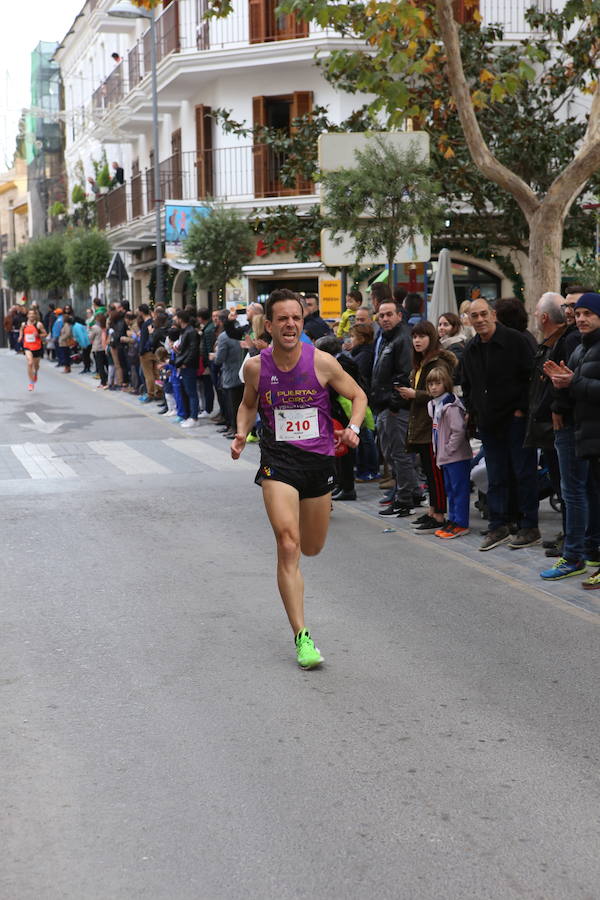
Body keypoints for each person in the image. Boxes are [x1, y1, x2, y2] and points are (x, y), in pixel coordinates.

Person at [231, 288, 367, 669]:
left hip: (319, 465)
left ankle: (302, 564)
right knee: (288, 543)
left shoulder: (322, 363)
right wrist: (242, 433)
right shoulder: (257, 367)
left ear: (301, 323)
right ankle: (302, 636)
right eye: (283, 319)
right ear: (269, 325)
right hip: (278, 463)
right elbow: (247, 404)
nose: (290, 324)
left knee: (311, 547)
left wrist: (353, 428)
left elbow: (358, 396)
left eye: (296, 318)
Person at [461, 298, 539, 551]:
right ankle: (499, 525)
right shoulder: (471, 348)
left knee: (523, 473)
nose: (480, 319)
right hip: (489, 422)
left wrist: (521, 410)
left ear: (494, 315)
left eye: (484, 314)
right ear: (469, 320)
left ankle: (529, 525)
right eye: (475, 316)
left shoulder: (516, 341)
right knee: (495, 477)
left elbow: (532, 378)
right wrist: (473, 412)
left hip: (515, 420)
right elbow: (468, 385)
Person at [544, 292, 600, 590]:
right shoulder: (580, 348)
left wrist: (572, 382)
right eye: (577, 314)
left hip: (592, 434)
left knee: (580, 493)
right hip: (583, 434)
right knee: (587, 493)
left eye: (587, 314)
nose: (580, 319)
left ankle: (578, 555)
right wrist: (559, 389)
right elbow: (571, 386)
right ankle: (587, 554)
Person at [398, 321, 456, 532]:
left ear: (431, 338)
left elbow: (442, 393)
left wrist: (416, 395)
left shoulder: (437, 363)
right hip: (423, 425)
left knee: (435, 473)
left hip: (434, 426)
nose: (417, 341)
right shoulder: (422, 363)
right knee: (429, 471)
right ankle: (433, 510)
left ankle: (439, 514)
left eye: (422, 336)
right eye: (414, 337)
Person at [371, 298, 419, 517]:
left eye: (389, 314)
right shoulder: (385, 337)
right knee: (391, 453)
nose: (385, 319)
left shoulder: (403, 338)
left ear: (399, 315)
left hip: (395, 408)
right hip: (384, 405)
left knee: (398, 454)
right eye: (381, 315)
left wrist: (393, 403)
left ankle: (405, 498)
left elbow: (405, 374)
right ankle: (407, 491)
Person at [426, 366, 472, 538]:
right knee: (450, 490)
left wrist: (448, 450)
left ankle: (461, 523)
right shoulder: (434, 406)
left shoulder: (450, 406)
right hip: (444, 457)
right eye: (430, 384)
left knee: (459, 490)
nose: (433, 387)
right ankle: (453, 520)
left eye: (438, 383)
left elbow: (458, 431)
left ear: (446, 383)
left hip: (456, 456)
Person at [174, 308, 200, 427]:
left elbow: (193, 350)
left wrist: (186, 362)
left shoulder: (190, 332)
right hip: (184, 364)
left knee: (191, 392)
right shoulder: (186, 331)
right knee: (187, 391)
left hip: (188, 365)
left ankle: (194, 417)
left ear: (180, 319)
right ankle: (190, 415)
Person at [19, 309, 47, 390]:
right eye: (29, 314)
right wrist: (20, 336)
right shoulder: (23, 324)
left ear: (35, 315)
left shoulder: (39, 324)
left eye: (33, 314)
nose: (31, 315)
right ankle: (31, 383)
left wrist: (38, 335)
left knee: (36, 366)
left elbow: (45, 334)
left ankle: (35, 373)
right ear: (27, 315)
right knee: (30, 363)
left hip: (37, 347)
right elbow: (21, 330)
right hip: (27, 346)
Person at [90, 313, 108, 388]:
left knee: (100, 366)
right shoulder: (106, 327)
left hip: (97, 348)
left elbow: (91, 337)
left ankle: (103, 382)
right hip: (105, 348)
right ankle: (109, 380)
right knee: (107, 365)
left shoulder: (95, 327)